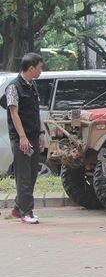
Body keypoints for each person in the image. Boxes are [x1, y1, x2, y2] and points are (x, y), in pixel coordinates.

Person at [5, 53, 44, 224]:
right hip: (21, 138)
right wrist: (22, 137)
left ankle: (17, 208)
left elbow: (36, 111)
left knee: (32, 174)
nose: (41, 71)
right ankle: (26, 212)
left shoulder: (32, 85)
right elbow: (14, 112)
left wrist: (41, 133)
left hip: (34, 136)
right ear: (31, 68)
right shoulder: (14, 87)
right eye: (40, 67)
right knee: (24, 176)